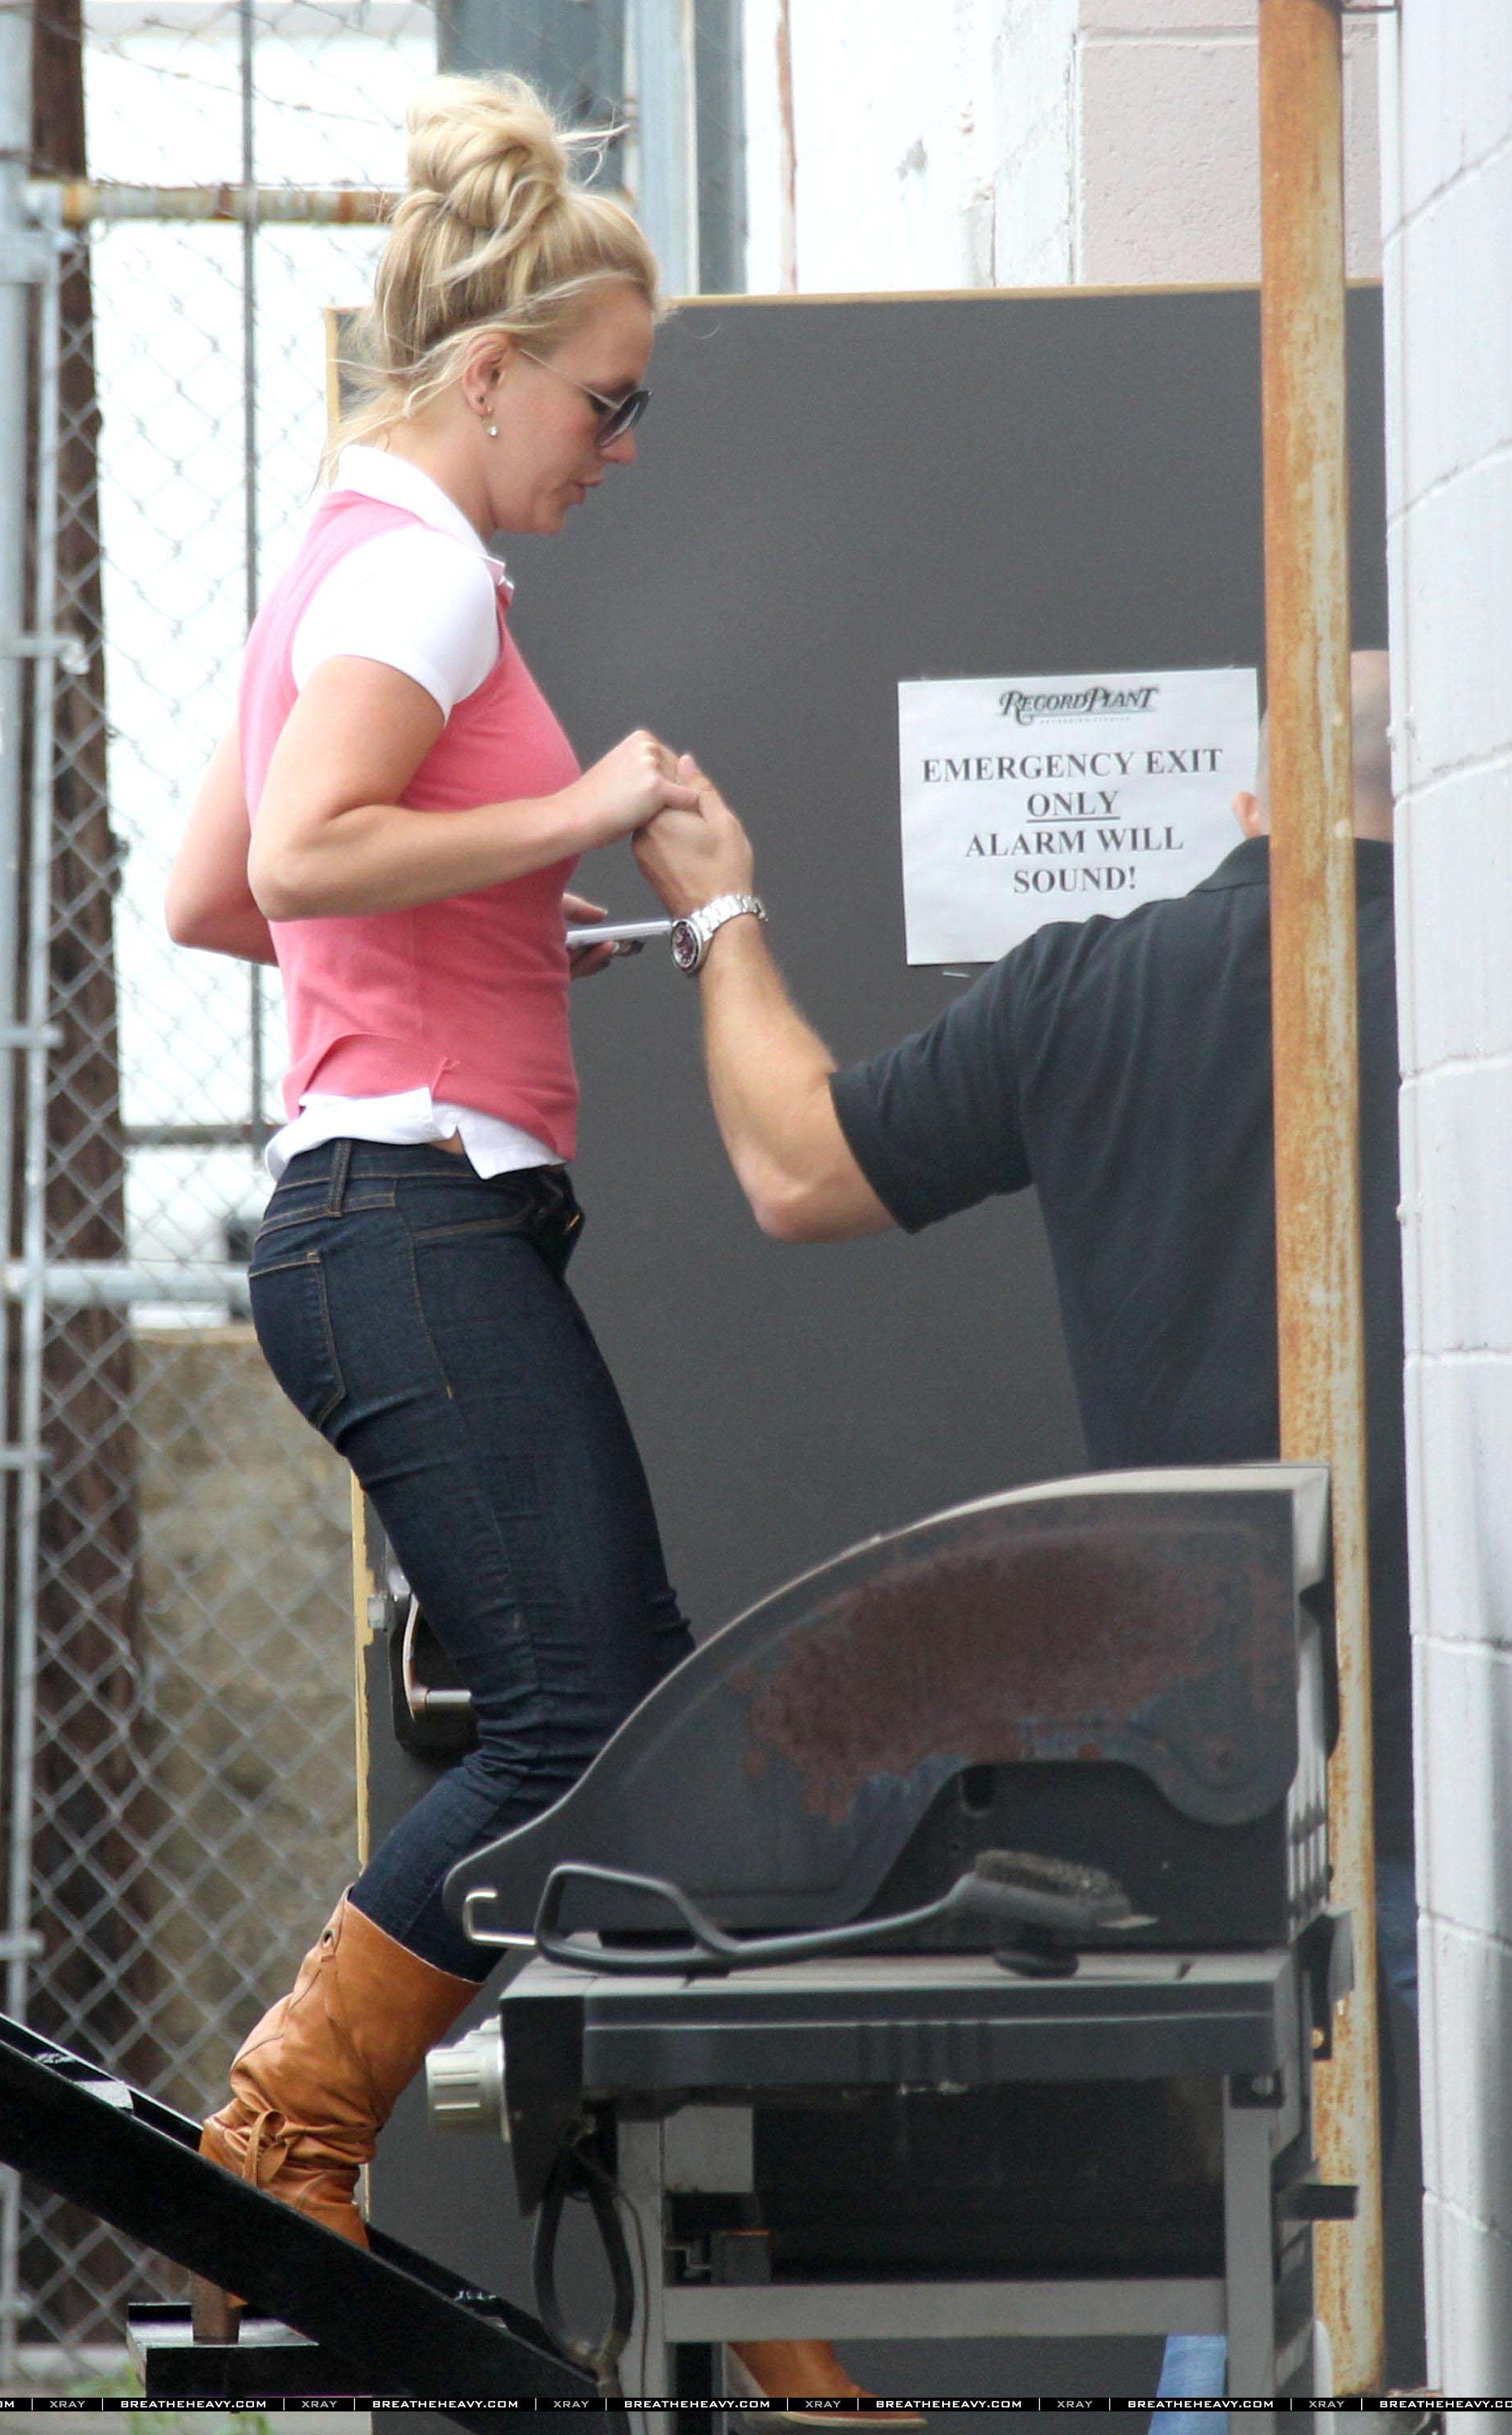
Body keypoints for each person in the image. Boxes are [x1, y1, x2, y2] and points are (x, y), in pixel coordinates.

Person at [164, 73, 875, 2410]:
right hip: (407, 1214)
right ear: (489, 376)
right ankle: (283, 2129)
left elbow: (213, 893)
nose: (622, 446)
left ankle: (764, 2329)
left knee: (620, 1726)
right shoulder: (428, 575)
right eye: (604, 401)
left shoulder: (332, 548)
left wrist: (500, 921)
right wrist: (582, 804)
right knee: (588, 1728)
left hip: (378, 1214)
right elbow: (294, 855)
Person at [629, 651, 1415, 2402]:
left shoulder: (1090, 990)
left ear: (1245, 800)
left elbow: (795, 1167)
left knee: (1257, 2209)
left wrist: (721, 915)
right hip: (1463, 1735)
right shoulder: (1467, 983)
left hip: (1219, 1768)